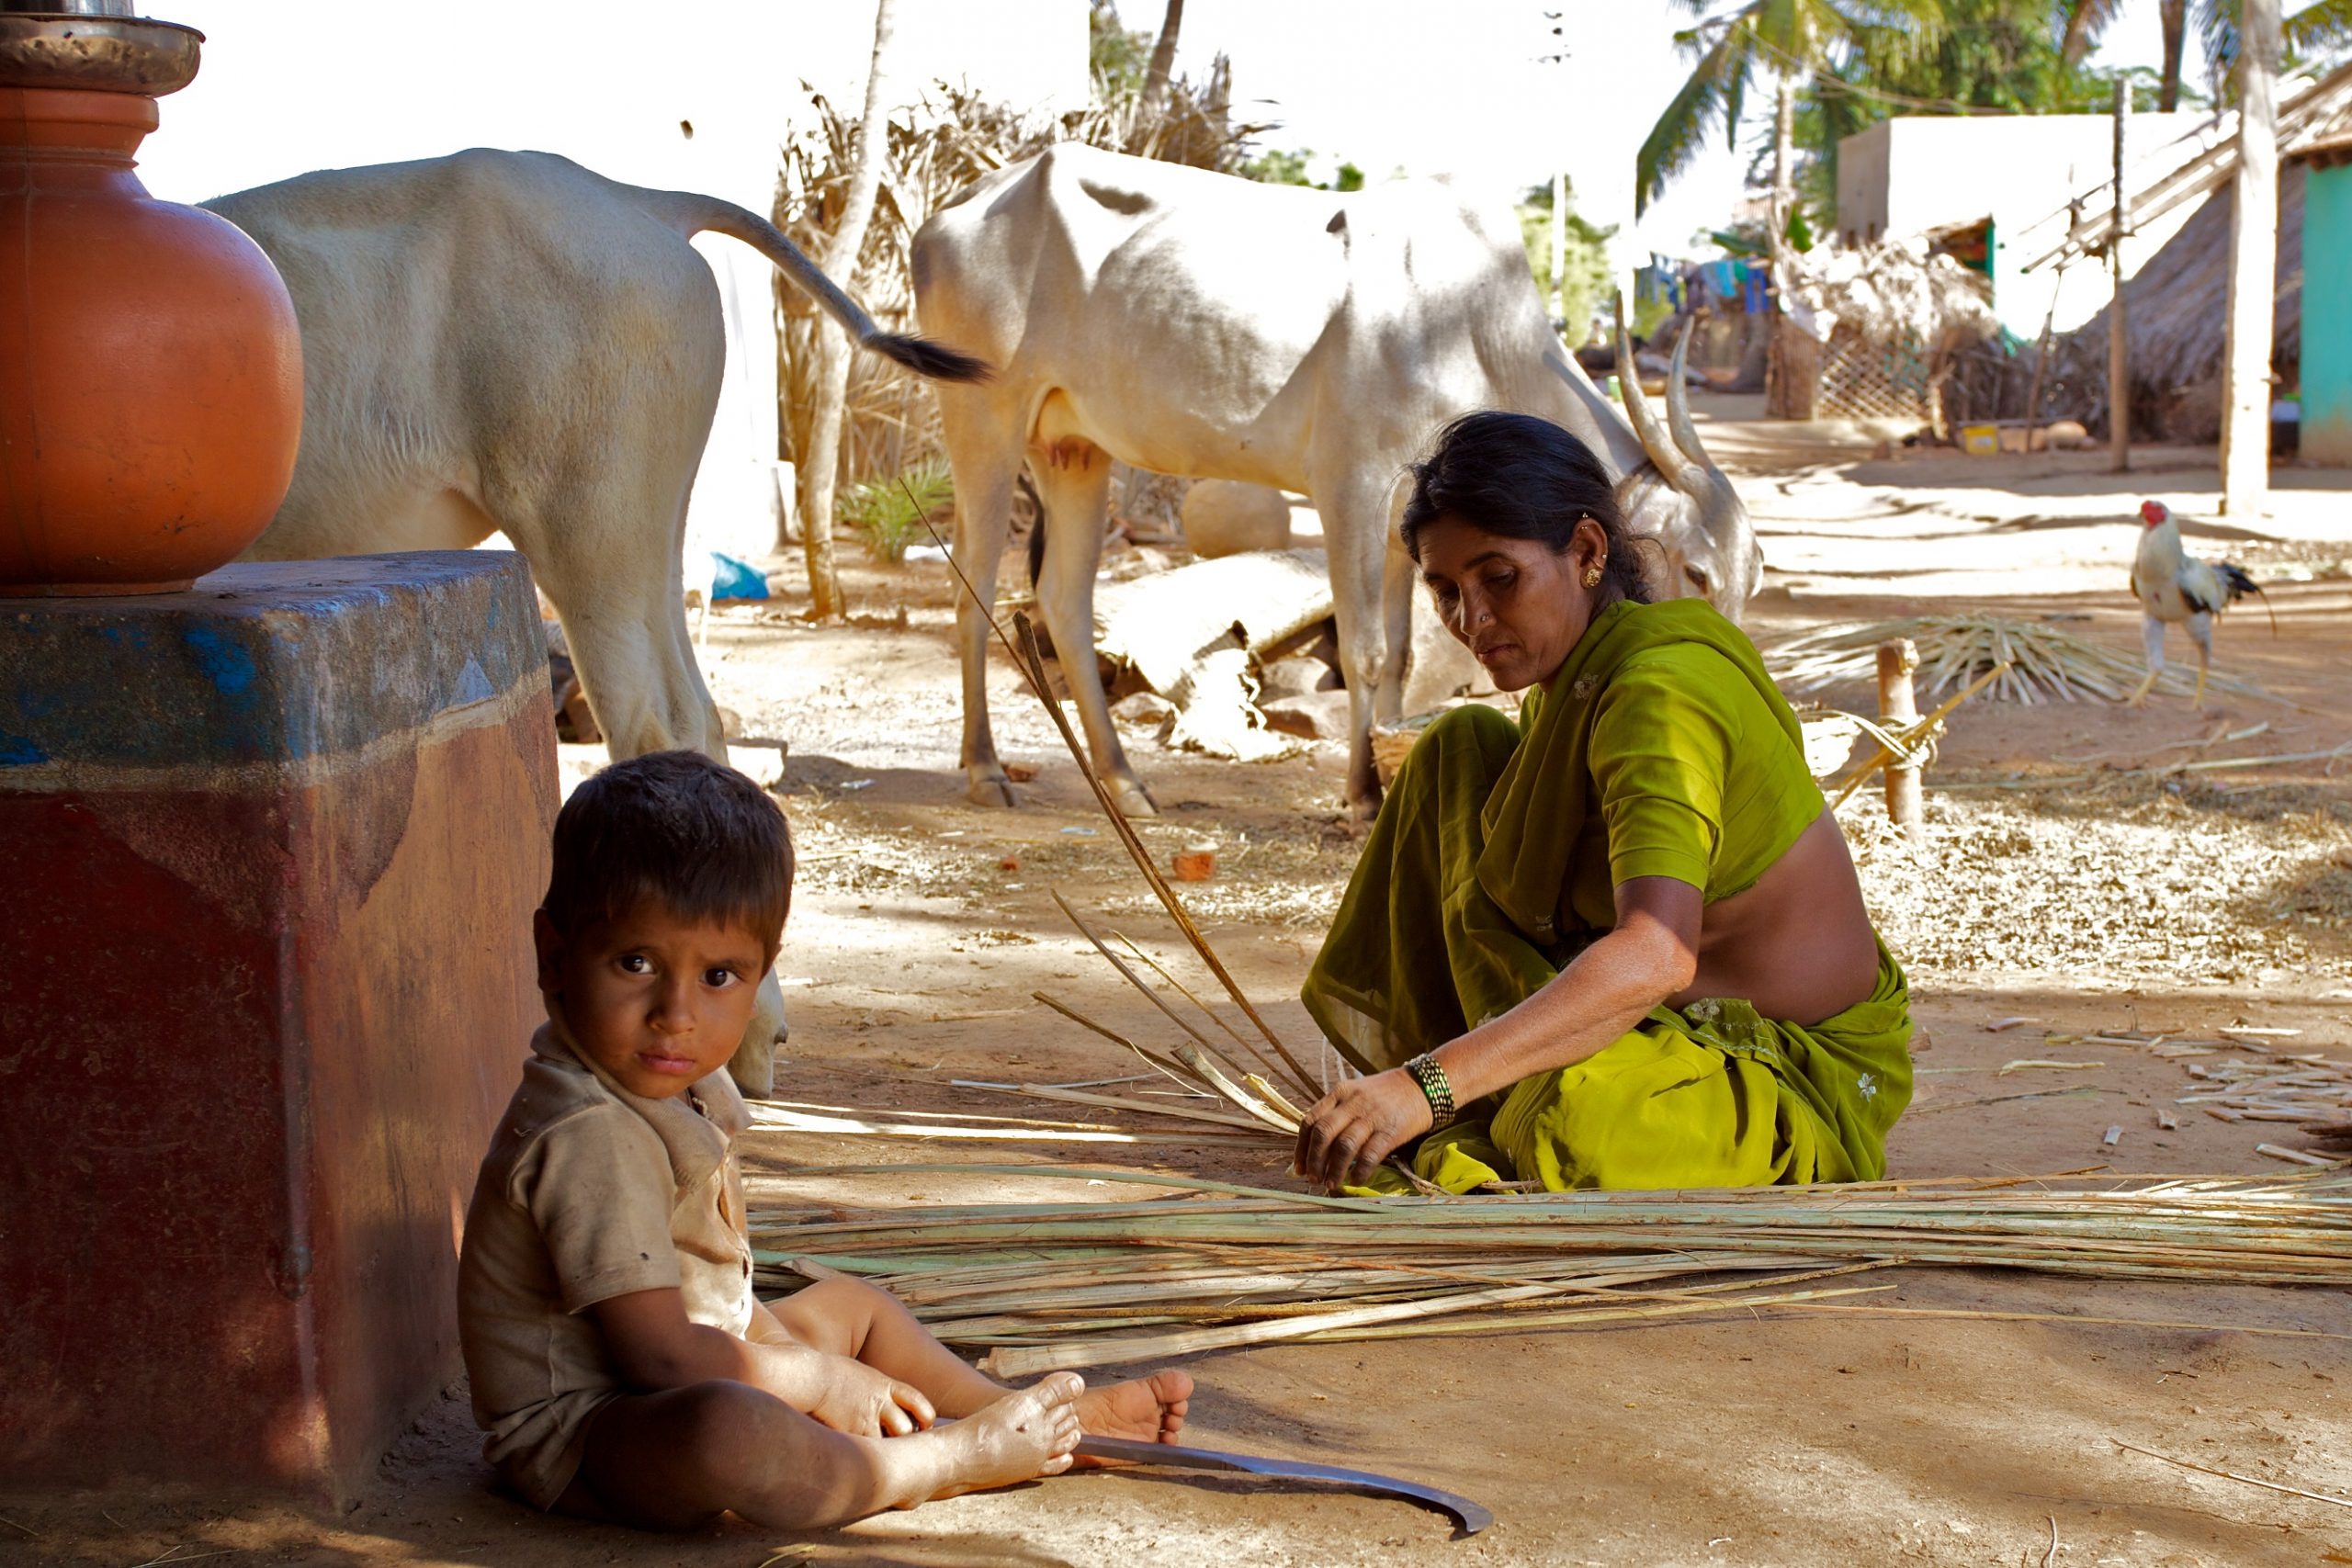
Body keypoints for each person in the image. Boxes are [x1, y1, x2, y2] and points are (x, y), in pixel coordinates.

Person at [458, 750, 1192, 1528]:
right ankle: (946, 1458)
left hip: (688, 1356)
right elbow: (661, 1358)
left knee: (852, 1307)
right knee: (731, 1431)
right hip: (590, 1436)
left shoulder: (658, 1077)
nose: (675, 1011)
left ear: (763, 974)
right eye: (636, 962)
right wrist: (816, 1383)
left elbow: (717, 1303)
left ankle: (1023, 1416)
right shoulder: (589, 1133)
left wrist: (804, 1361)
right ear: (554, 955)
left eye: (718, 977)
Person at [1294, 412, 1911, 1195]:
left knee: (1578, 1129)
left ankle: (1450, 1086)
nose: (1473, 620)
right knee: (1456, 754)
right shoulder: (1576, 677)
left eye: (1500, 577)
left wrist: (1430, 1085)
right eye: (1447, 590)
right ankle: (1467, 1075)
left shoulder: (1658, 695)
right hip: (1660, 1005)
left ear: (1587, 551)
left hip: (1772, 1056)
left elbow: (1658, 952)